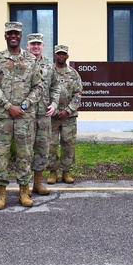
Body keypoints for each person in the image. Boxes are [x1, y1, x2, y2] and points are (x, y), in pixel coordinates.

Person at [0, 22, 43, 210]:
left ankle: (24, 192)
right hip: (2, 117)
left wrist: (23, 105)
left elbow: (38, 86)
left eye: (16, 33)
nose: (13, 36)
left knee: (24, 154)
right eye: (9, 33)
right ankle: (1, 193)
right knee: (1, 155)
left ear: (20, 36)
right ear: (5, 36)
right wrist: (9, 106)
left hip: (25, 118)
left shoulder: (31, 60)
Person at [27, 33, 60, 196]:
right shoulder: (21, 62)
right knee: (24, 150)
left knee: (42, 149)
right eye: (33, 44)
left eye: (38, 44)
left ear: (43, 46)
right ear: (27, 46)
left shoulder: (49, 65)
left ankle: (37, 183)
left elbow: (55, 87)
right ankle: (24, 186)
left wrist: (54, 104)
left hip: (43, 114)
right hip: (25, 115)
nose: (35, 47)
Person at [48, 44, 83, 184]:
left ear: (67, 56)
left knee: (68, 144)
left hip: (69, 116)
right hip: (52, 115)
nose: (61, 56)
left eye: (63, 54)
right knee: (51, 144)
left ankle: (66, 172)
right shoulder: (49, 72)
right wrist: (55, 111)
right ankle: (52, 172)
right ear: (55, 55)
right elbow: (44, 92)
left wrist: (67, 110)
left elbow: (77, 95)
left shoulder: (73, 74)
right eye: (59, 54)